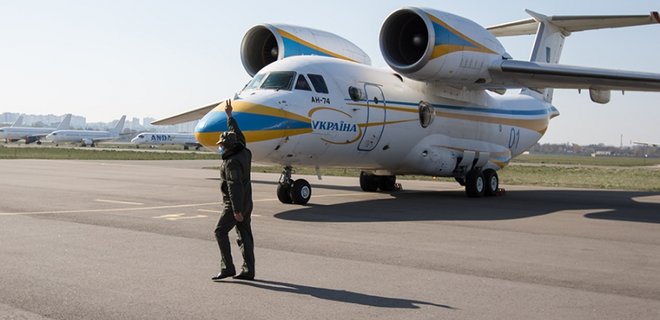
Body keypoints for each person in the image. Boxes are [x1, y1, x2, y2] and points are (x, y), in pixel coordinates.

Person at [212, 99, 255, 281]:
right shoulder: (243, 149)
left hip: (235, 204)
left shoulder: (231, 163)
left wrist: (236, 210)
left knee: (220, 231)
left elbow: (233, 186)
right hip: (248, 202)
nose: (220, 146)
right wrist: (229, 116)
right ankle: (248, 270)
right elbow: (237, 133)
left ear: (228, 146)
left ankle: (228, 267)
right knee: (244, 234)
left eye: (222, 144)